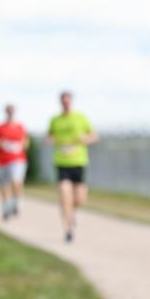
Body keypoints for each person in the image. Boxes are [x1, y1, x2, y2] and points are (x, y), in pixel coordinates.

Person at [47, 91, 97, 242]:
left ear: (71, 101)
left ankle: (71, 212)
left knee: (80, 199)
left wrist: (85, 139)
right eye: (63, 101)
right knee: (64, 194)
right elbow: (49, 136)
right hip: (62, 163)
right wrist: (52, 140)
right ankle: (68, 230)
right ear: (60, 102)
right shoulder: (55, 120)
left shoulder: (80, 117)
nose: (65, 104)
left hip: (78, 162)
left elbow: (94, 136)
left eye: (67, 101)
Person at [0, 104, 30, 221]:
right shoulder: (0, 127)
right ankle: (5, 207)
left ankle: (15, 202)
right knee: (3, 185)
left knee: (16, 181)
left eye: (12, 111)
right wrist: (1, 143)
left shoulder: (20, 127)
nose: (10, 113)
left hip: (18, 159)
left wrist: (19, 145)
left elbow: (26, 142)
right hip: (1, 161)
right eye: (8, 111)